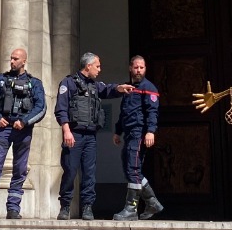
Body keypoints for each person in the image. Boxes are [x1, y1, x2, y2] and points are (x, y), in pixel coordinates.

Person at [54, 53, 132, 220]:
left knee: (89, 173)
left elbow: (108, 89)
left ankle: (87, 207)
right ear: (88, 66)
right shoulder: (68, 83)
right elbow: (61, 109)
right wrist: (66, 131)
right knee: (70, 171)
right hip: (74, 134)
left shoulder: (95, 86)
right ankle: (65, 206)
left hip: (90, 137)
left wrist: (120, 88)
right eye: (97, 66)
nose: (99, 69)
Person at [0, 48, 47, 219]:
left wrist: (24, 121)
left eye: (16, 59)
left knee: (20, 169)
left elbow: (41, 107)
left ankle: (13, 208)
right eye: (11, 58)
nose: (12, 61)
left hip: (23, 131)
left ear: (24, 61)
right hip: (3, 129)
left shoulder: (35, 83)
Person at [112, 55, 164, 221]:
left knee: (133, 168)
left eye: (141, 67)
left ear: (145, 69)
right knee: (129, 168)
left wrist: (151, 131)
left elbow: (152, 112)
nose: (139, 70)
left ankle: (131, 209)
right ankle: (152, 203)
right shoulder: (128, 88)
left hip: (139, 133)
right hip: (128, 133)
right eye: (136, 67)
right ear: (130, 68)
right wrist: (118, 131)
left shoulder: (149, 87)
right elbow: (124, 112)